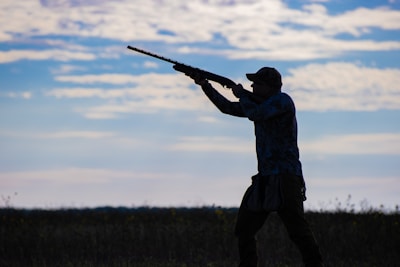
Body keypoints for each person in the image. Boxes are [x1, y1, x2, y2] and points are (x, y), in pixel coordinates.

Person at [186, 67, 324, 267]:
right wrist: (205, 85)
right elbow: (227, 107)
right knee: (244, 229)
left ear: (270, 87)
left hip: (285, 177)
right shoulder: (256, 103)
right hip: (265, 177)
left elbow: (256, 114)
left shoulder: (283, 101)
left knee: (298, 231)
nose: (252, 86)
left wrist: (242, 94)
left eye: (257, 83)